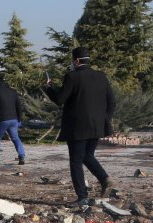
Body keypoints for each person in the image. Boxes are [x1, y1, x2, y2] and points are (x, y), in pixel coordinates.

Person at [44, 46, 116, 207]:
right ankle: (104, 179)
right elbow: (112, 101)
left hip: (77, 127)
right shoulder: (101, 76)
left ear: (76, 61)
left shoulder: (72, 77)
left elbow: (60, 99)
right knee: (87, 156)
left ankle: (82, 197)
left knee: (76, 161)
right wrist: (104, 118)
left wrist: (49, 88)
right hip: (97, 126)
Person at [0, 74, 26, 165]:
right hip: (14, 119)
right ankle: (21, 155)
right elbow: (18, 106)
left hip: (3, 120)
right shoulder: (13, 91)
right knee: (15, 138)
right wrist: (19, 119)